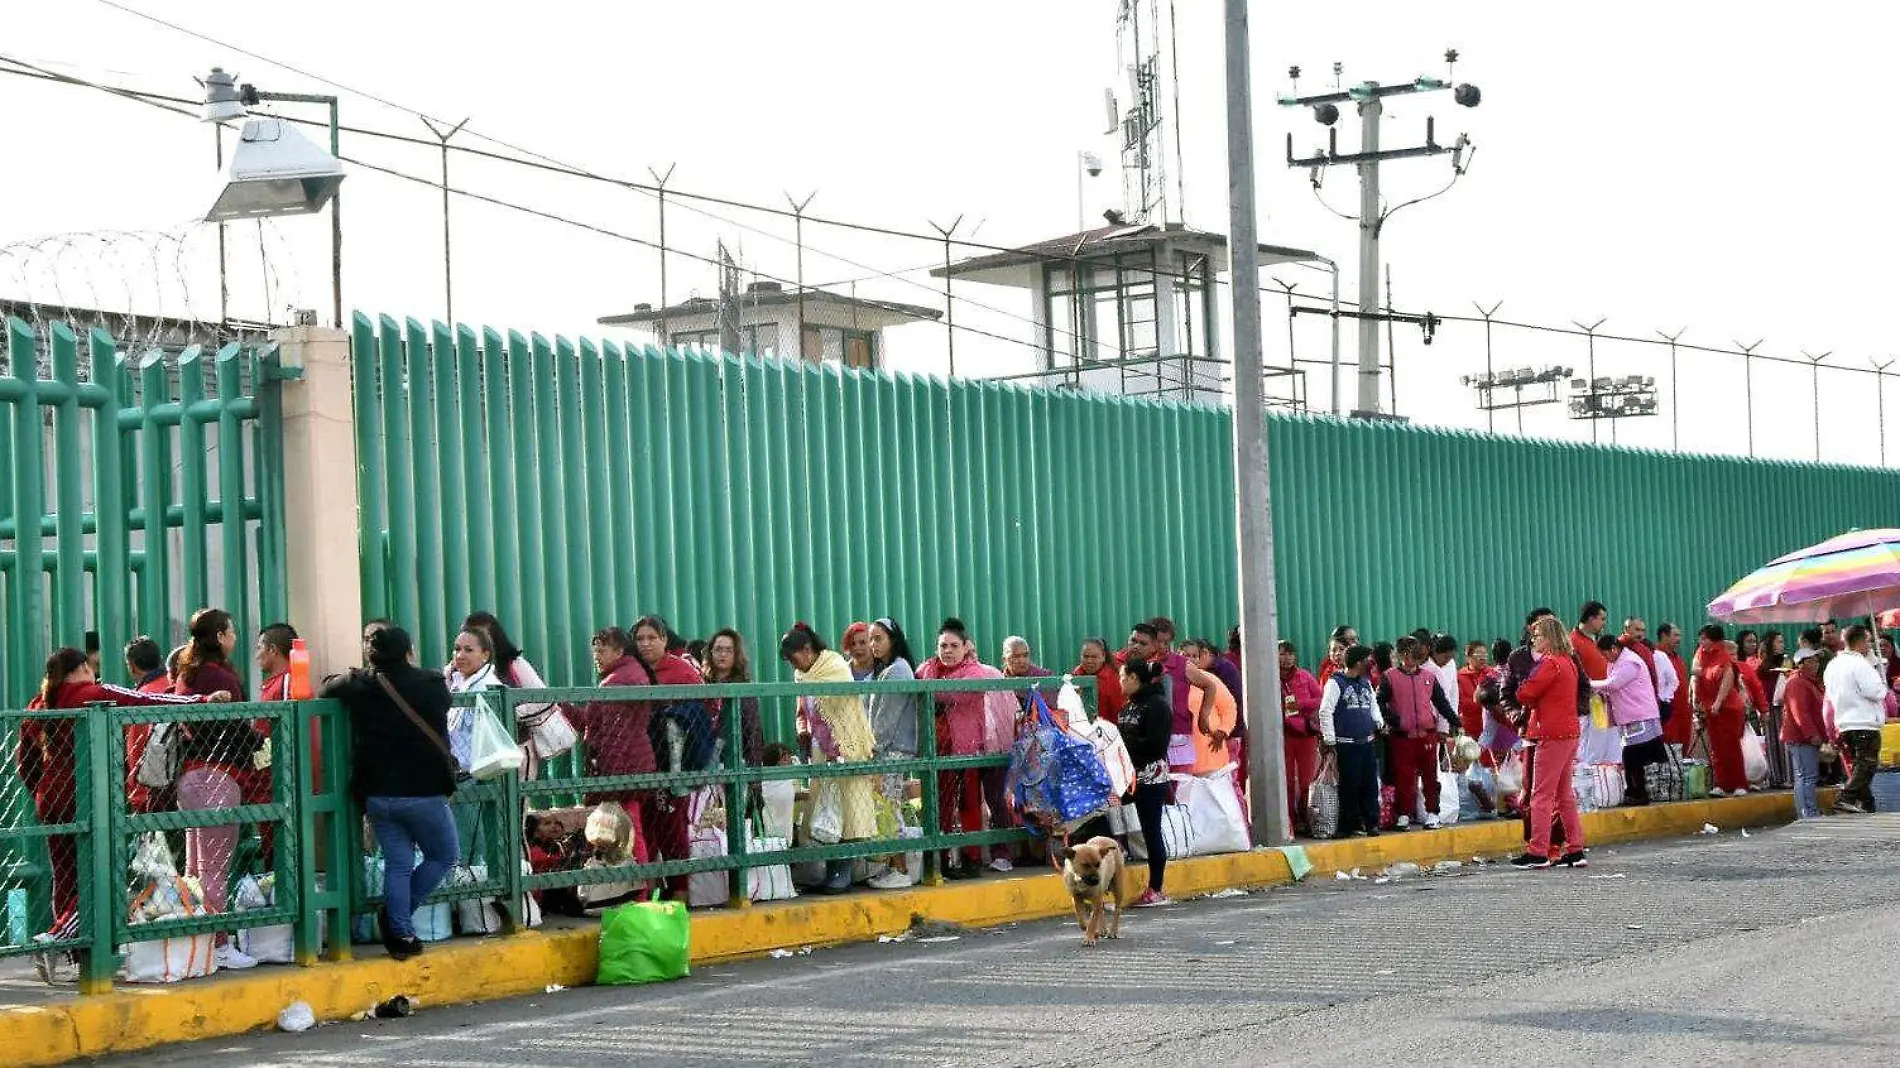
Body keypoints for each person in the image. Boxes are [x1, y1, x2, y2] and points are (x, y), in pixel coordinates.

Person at [17, 647, 218, 945]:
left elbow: (26, 762)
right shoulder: (90, 692)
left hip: (51, 799)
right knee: (99, 873)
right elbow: (146, 699)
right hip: (86, 798)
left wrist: (40, 791)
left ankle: (73, 949)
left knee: (65, 876)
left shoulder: (38, 705)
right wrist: (198, 701)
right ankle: (59, 937)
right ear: (84, 667)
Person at [321, 625, 457, 961]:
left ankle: (402, 931)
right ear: (409, 650)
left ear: (371, 653)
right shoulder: (431, 683)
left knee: (398, 863)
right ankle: (396, 921)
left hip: (378, 794)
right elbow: (446, 703)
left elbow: (325, 689)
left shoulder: (360, 683)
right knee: (444, 855)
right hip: (424, 791)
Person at [582, 622, 696, 901]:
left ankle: (642, 894)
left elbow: (605, 730)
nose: (597, 656)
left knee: (636, 833)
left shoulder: (620, 680)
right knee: (641, 831)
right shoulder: (633, 672)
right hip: (644, 763)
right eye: (640, 638)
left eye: (603, 650)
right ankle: (646, 892)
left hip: (633, 766)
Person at [170, 608, 258, 931]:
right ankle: (217, 941)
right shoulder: (221, 677)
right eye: (231, 631)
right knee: (215, 868)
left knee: (194, 869)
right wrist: (256, 739)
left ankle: (198, 938)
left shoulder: (186, 674)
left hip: (190, 778)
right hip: (219, 777)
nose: (234, 637)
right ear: (220, 636)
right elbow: (235, 729)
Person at [781, 623, 880, 894]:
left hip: (846, 749)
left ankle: (843, 870)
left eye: (794, 657)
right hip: (821, 751)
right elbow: (804, 708)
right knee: (825, 810)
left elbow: (845, 710)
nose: (793, 665)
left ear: (807, 649)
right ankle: (833, 870)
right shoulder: (804, 675)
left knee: (848, 810)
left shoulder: (833, 665)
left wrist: (839, 747)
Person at [916, 617, 1013, 877]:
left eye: (953, 646)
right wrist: (931, 679)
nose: (947, 651)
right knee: (941, 807)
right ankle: (942, 859)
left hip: (966, 751)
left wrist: (930, 687)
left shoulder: (974, 671)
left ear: (965, 648)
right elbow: (921, 677)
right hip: (937, 751)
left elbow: (958, 693)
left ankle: (971, 858)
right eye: (942, 646)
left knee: (970, 805)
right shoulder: (930, 668)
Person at [1511, 618, 1587, 869]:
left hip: (1551, 734)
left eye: (1538, 636)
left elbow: (1525, 693)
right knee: (1564, 795)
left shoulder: (1550, 663)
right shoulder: (1569, 662)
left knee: (1541, 795)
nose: (1535, 640)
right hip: (1569, 732)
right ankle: (1575, 849)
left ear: (1549, 638)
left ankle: (1538, 851)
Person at [863, 618, 921, 891]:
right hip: (886, 751)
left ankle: (900, 868)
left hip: (891, 751)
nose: (873, 645)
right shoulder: (883, 671)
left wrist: (873, 753)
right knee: (886, 807)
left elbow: (885, 721)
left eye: (878, 639)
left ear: (893, 640)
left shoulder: (897, 671)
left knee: (889, 806)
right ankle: (892, 866)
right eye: (870, 639)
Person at [1378, 637, 1457, 830]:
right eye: (1405, 653)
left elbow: (1441, 703)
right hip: (1402, 737)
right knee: (1404, 776)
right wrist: (1394, 720)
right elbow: (1379, 703)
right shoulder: (1389, 677)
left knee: (1430, 776)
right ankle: (1404, 813)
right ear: (1399, 654)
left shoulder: (1429, 676)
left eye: (1413, 653)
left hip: (1427, 735)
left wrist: (1455, 722)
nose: (1409, 657)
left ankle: (1432, 813)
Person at [1125, 619, 1220, 775]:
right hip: (1144, 738)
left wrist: (1203, 716)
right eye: (1158, 641)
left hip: (1177, 736)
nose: (1161, 647)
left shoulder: (1181, 664)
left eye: (1165, 642)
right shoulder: (1131, 664)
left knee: (1179, 791)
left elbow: (1210, 686)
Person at [1116, 656, 1174, 907]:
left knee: (1151, 831)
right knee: (1111, 821)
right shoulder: (1129, 705)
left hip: (1150, 778)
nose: (1120, 682)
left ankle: (1156, 888)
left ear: (1133, 679)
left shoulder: (1157, 705)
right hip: (1127, 777)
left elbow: (1155, 745)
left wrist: (1127, 749)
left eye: (1122, 678)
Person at [1317, 644, 1382, 838]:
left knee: (1369, 784)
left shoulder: (1365, 682)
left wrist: (1379, 722)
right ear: (1358, 662)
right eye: (1366, 660)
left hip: (1367, 742)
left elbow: (1373, 705)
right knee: (1349, 786)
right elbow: (1325, 711)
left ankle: (1371, 823)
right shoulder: (1336, 683)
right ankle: (1347, 826)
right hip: (1346, 744)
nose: (1370, 664)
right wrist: (1329, 739)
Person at [1592, 634, 1664, 805]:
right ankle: (1634, 791)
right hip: (1629, 717)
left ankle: (1639, 792)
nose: (1604, 658)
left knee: (1632, 755)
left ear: (1614, 648)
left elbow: (1614, 684)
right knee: (1631, 756)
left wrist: (1590, 684)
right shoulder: (1614, 663)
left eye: (1605, 654)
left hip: (1640, 716)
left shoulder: (1630, 662)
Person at [1824, 624, 1887, 814]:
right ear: (1860, 641)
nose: (1869, 645)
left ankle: (1867, 803)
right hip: (1864, 721)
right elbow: (1874, 691)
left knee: (1860, 765)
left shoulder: (1833, 664)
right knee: (1866, 764)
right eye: (1868, 641)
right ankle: (1846, 797)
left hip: (1844, 721)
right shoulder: (1859, 664)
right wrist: (1882, 685)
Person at [1691, 624, 1751, 796]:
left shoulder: (1724, 656)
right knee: (1716, 747)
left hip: (1728, 707)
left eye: (1704, 638)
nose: (1701, 641)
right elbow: (1694, 670)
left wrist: (1718, 702)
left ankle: (1739, 783)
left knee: (1731, 746)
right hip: (1710, 707)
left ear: (1714, 639)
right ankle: (1721, 784)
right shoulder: (1701, 653)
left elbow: (1727, 680)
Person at [122, 636, 172, 816]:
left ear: (132, 666)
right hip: (180, 789)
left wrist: (137, 794)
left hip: (149, 793)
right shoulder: (176, 686)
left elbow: (135, 751)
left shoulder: (138, 700)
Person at [702, 628, 765, 771]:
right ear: (710, 653)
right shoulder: (701, 684)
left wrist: (754, 769)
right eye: (718, 649)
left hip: (736, 760)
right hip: (704, 760)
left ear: (736, 655)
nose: (722, 654)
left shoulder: (743, 687)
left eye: (728, 650)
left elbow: (753, 730)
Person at [1278, 640, 1323, 836]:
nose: (1286, 658)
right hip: (1283, 735)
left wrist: (1300, 704)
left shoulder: (1304, 676)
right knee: (1286, 781)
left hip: (1306, 735)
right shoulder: (1269, 678)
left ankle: (1306, 819)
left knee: (1307, 781)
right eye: (1282, 654)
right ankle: (1289, 822)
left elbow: (1321, 699)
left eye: (1290, 653)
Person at [1781, 646, 1829, 819]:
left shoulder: (1810, 682)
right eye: (1811, 661)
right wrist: (1812, 734)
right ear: (1801, 664)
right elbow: (1799, 711)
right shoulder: (1797, 682)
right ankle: (1807, 813)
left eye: (1816, 661)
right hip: (1801, 738)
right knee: (1806, 776)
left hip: (1806, 737)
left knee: (1807, 775)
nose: (1815, 664)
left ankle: (1808, 811)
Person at [1182, 639, 1238, 775]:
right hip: (1182, 753)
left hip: (1210, 749)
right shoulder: (1173, 680)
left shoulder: (1210, 680)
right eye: (1185, 655)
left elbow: (1229, 707)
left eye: (1194, 656)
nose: (1190, 659)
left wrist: (1223, 732)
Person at [1756, 631, 1791, 788]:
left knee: (1785, 742)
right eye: (1779, 642)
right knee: (1772, 742)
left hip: (1784, 706)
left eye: (1782, 641)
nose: (1782, 645)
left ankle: (1788, 776)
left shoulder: (1786, 662)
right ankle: (1776, 777)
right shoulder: (1762, 666)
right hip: (1769, 707)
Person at [1655, 623, 1692, 751]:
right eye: (1675, 635)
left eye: (1680, 635)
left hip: (1684, 713)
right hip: (1669, 713)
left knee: (1684, 748)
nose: (1679, 639)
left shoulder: (1677, 658)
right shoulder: (1657, 657)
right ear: (1664, 636)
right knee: (1670, 748)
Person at [1075, 637, 1126, 725]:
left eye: (1094, 657)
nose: (1089, 661)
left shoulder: (1114, 679)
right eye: (1086, 656)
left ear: (1103, 658)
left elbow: (1119, 713)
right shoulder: (1075, 675)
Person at [1001, 635, 1056, 715]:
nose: (1022, 661)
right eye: (1016, 656)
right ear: (1005, 659)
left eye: (1025, 655)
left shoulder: (1043, 677)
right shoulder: (1000, 682)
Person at [1455, 640, 1491, 740]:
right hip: (1470, 730)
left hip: (1491, 728)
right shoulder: (1459, 677)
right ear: (1468, 657)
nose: (1483, 658)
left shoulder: (1492, 674)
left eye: (1484, 654)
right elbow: (1461, 703)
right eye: (1479, 654)